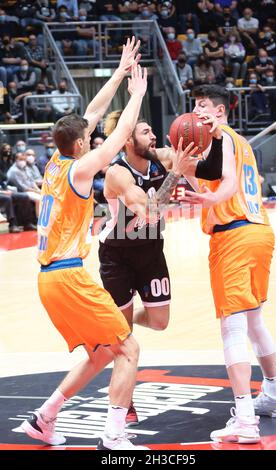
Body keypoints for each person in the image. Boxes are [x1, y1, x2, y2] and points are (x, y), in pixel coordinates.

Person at [20, 38, 152, 451]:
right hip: (69, 276)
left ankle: (44, 419)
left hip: (49, 278)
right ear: (80, 145)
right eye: (88, 139)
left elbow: (91, 115)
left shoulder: (55, 161)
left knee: (100, 353)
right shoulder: (80, 170)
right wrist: (137, 95)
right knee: (127, 349)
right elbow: (118, 137)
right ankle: (114, 435)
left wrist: (119, 70)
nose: (92, 139)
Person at [98, 108, 224, 425]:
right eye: (145, 132)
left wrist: (216, 137)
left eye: (152, 131)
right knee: (124, 342)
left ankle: (121, 321)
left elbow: (212, 170)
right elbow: (151, 213)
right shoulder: (118, 173)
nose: (153, 135)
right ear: (127, 140)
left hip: (152, 250)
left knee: (159, 321)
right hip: (117, 257)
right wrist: (177, 173)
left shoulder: (164, 156)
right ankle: (123, 403)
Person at [181, 84, 276, 444]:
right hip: (259, 232)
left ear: (220, 111)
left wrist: (211, 195)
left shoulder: (223, 138)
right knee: (254, 318)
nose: (197, 113)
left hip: (235, 236)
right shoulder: (236, 141)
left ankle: (245, 418)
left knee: (233, 327)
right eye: (195, 107)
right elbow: (226, 179)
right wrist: (188, 173)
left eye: (202, 107)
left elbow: (226, 184)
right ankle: (274, 394)